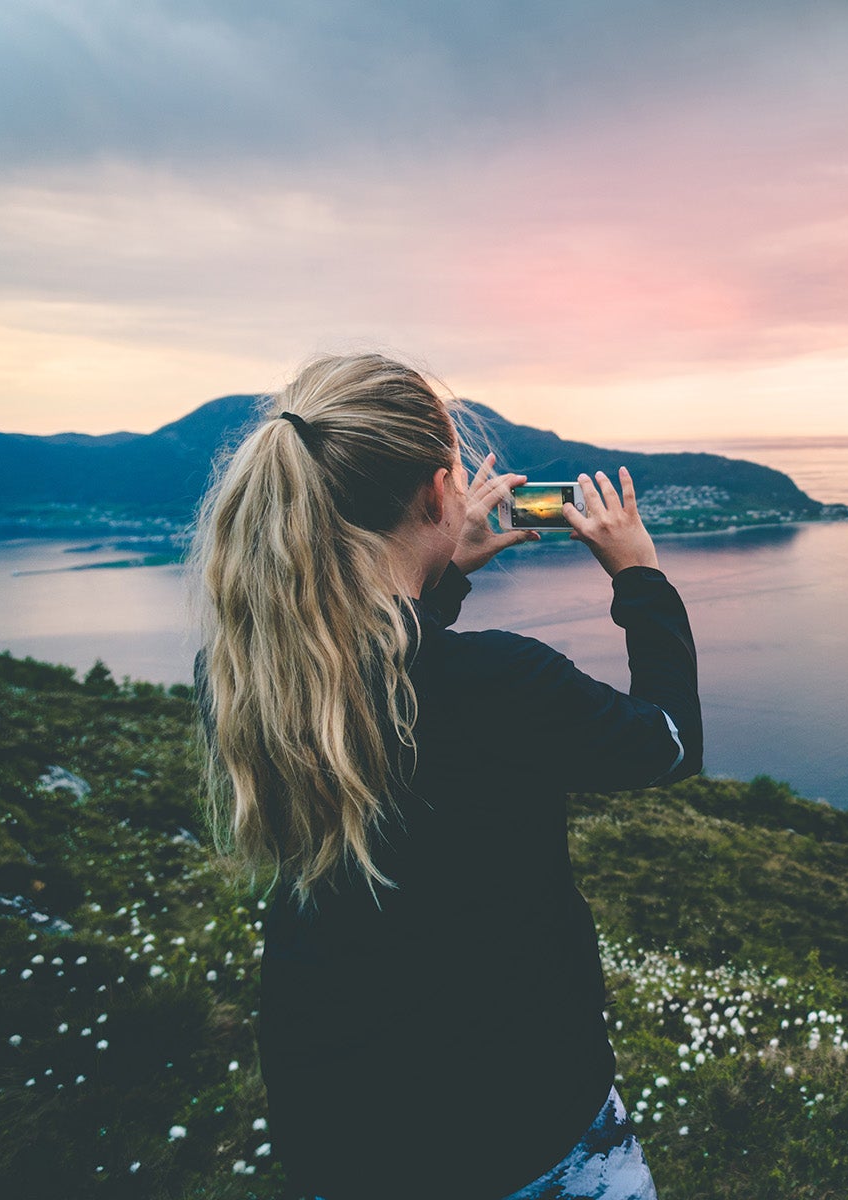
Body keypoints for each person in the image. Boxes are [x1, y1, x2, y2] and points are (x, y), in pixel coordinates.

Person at [189, 353, 701, 1200]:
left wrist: (440, 578)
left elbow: (379, 677)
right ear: (438, 494)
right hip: (518, 1117)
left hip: (338, 1121)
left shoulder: (244, 675)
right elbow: (670, 744)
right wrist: (638, 575)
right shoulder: (500, 682)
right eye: (459, 473)